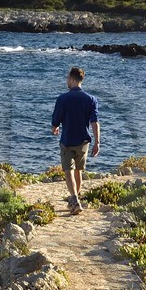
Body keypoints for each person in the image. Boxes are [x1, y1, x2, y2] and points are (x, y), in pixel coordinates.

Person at [51, 66, 100, 213]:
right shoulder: (91, 99)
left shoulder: (62, 98)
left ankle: (74, 200)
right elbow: (95, 122)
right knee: (78, 171)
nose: (67, 80)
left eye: (67, 78)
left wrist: (54, 128)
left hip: (67, 140)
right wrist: (97, 142)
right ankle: (75, 200)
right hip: (83, 142)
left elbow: (55, 120)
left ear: (72, 79)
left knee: (68, 171)